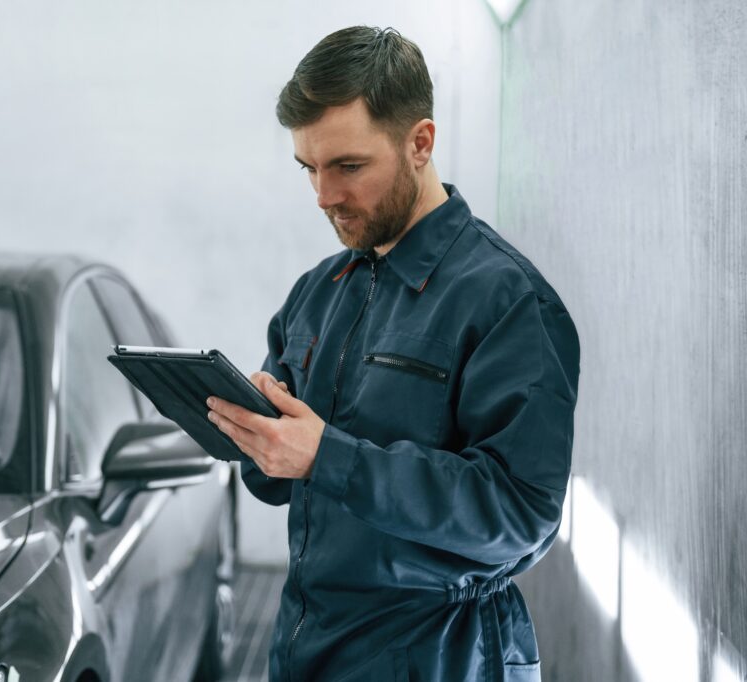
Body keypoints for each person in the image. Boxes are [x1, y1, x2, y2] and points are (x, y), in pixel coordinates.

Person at [204, 25, 580, 682]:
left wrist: (328, 454)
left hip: (442, 656)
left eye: (347, 166)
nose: (323, 196)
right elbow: (283, 481)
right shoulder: (318, 293)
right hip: (309, 645)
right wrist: (256, 439)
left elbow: (521, 515)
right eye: (309, 169)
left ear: (420, 143)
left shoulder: (506, 301)